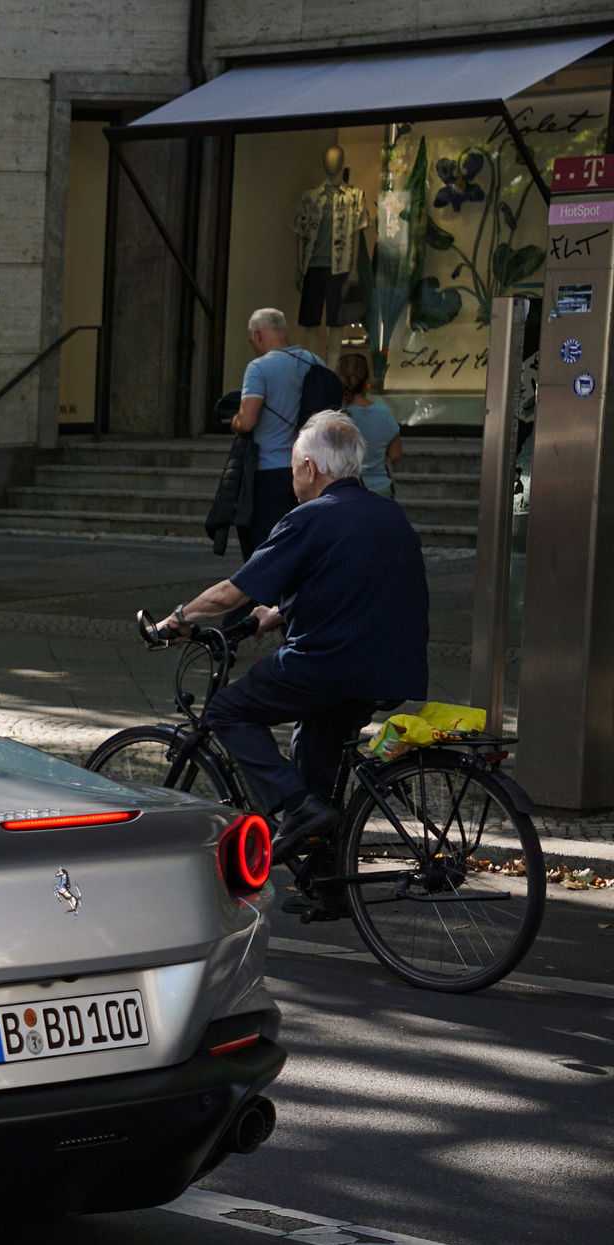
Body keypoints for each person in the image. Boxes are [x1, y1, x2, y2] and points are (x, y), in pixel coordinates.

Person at [150, 410, 428, 853]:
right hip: (396, 667)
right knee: (314, 743)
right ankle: (325, 875)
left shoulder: (310, 518)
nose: (292, 476)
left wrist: (180, 618)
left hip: (327, 665)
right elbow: (352, 584)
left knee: (226, 711)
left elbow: (230, 594)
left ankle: (296, 806)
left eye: (294, 466)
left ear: (310, 469)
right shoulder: (390, 515)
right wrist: (277, 612)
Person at [229, 307, 337, 556]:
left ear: (257, 335)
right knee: (302, 544)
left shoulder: (258, 368)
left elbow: (247, 422)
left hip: (269, 472)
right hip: (308, 470)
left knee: (268, 546)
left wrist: (233, 421)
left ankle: (268, 593)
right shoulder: (315, 362)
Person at [338, 352, 401, 500]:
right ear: (367, 380)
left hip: (345, 494)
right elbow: (395, 455)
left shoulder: (334, 415)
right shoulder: (384, 413)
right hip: (380, 491)